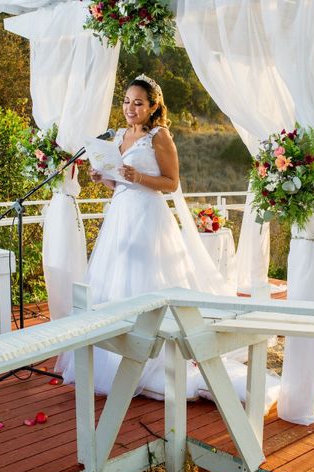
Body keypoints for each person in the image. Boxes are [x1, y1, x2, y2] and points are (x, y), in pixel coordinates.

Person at [58, 74, 279, 408]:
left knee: (145, 280)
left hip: (148, 216)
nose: (131, 108)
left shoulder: (159, 136)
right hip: (120, 214)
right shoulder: (119, 135)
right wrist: (103, 176)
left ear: (152, 106)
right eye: (127, 101)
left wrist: (140, 177)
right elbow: (120, 183)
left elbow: (172, 182)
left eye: (138, 103)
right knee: (116, 280)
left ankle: (149, 357)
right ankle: (115, 360)